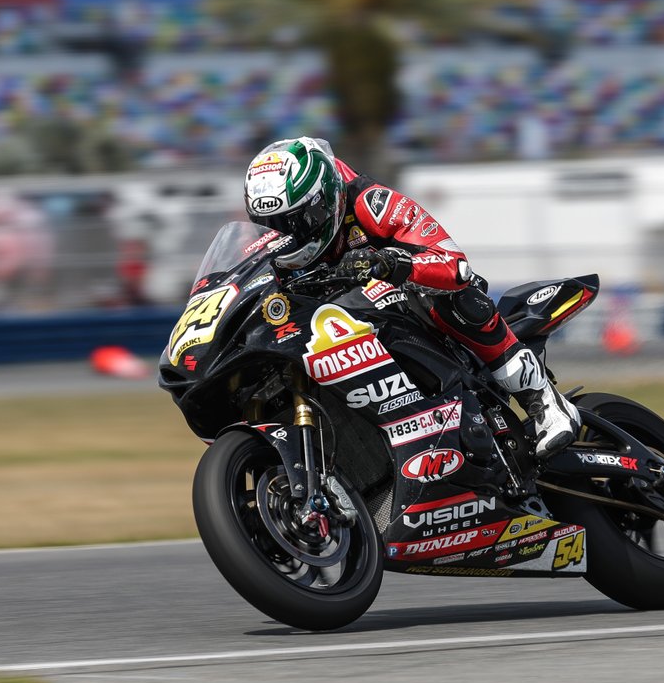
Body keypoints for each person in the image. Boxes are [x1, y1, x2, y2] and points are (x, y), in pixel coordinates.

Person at [243, 136, 580, 458]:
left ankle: (544, 402)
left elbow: (454, 266)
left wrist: (389, 263)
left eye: (297, 220)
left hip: (409, 300)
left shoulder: (372, 203)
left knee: (450, 298)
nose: (287, 232)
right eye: (273, 223)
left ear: (326, 198)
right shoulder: (279, 245)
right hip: (340, 322)